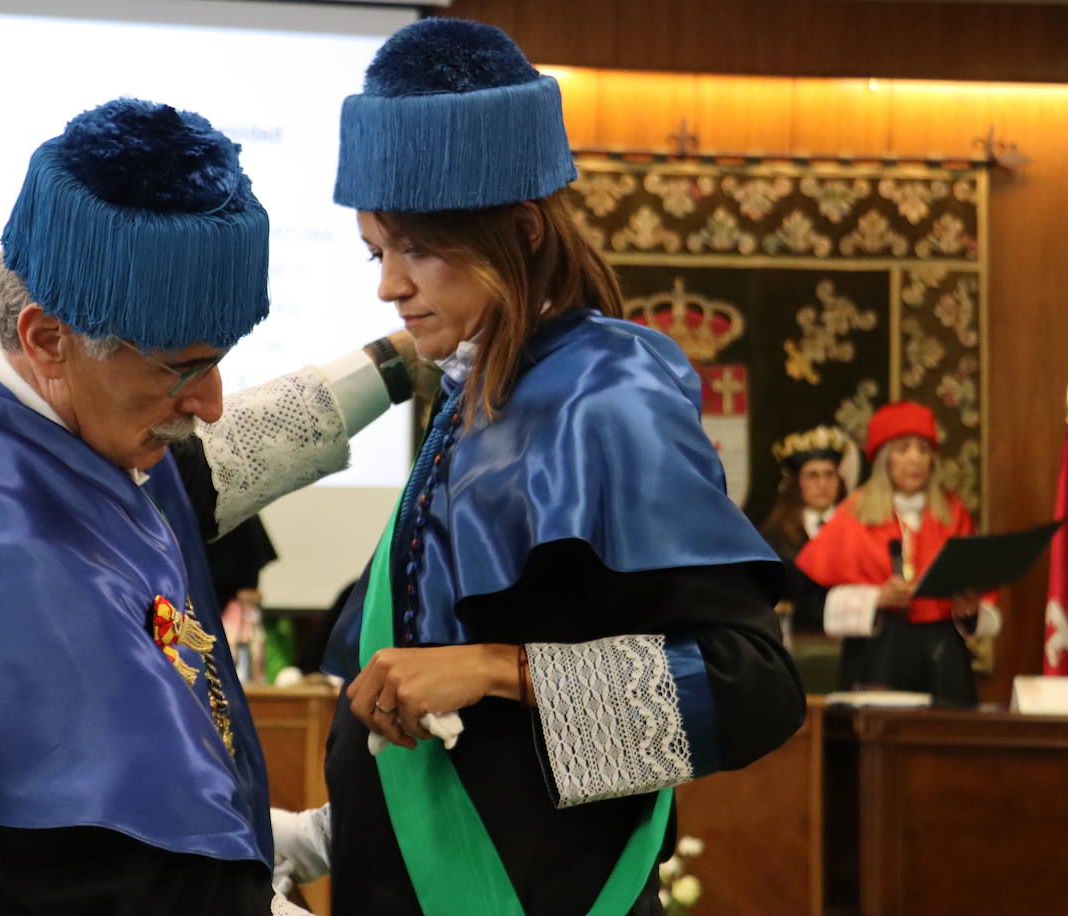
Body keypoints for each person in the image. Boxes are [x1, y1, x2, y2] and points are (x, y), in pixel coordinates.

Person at [0, 97, 418, 916]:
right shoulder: (7, 566)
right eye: (181, 367)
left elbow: (220, 463)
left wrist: (409, 358)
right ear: (49, 338)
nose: (213, 404)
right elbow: (109, 873)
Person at [272, 20, 806, 916]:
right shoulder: (481, 384)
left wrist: (494, 669)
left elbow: (752, 687)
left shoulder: (611, 394)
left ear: (520, 230)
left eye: (419, 250)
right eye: (377, 251)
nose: (388, 286)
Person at [796, 401, 1000, 706]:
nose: (915, 459)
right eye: (903, 449)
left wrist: (969, 609)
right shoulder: (854, 514)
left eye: (923, 449)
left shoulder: (953, 513)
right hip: (880, 657)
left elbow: (976, 600)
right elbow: (811, 603)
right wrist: (876, 598)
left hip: (945, 660)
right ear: (884, 460)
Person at [758, 426, 855, 637]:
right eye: (812, 476)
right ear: (796, 483)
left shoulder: (856, 526)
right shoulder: (774, 535)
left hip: (850, 633)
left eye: (829, 475)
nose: (822, 484)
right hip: (796, 636)